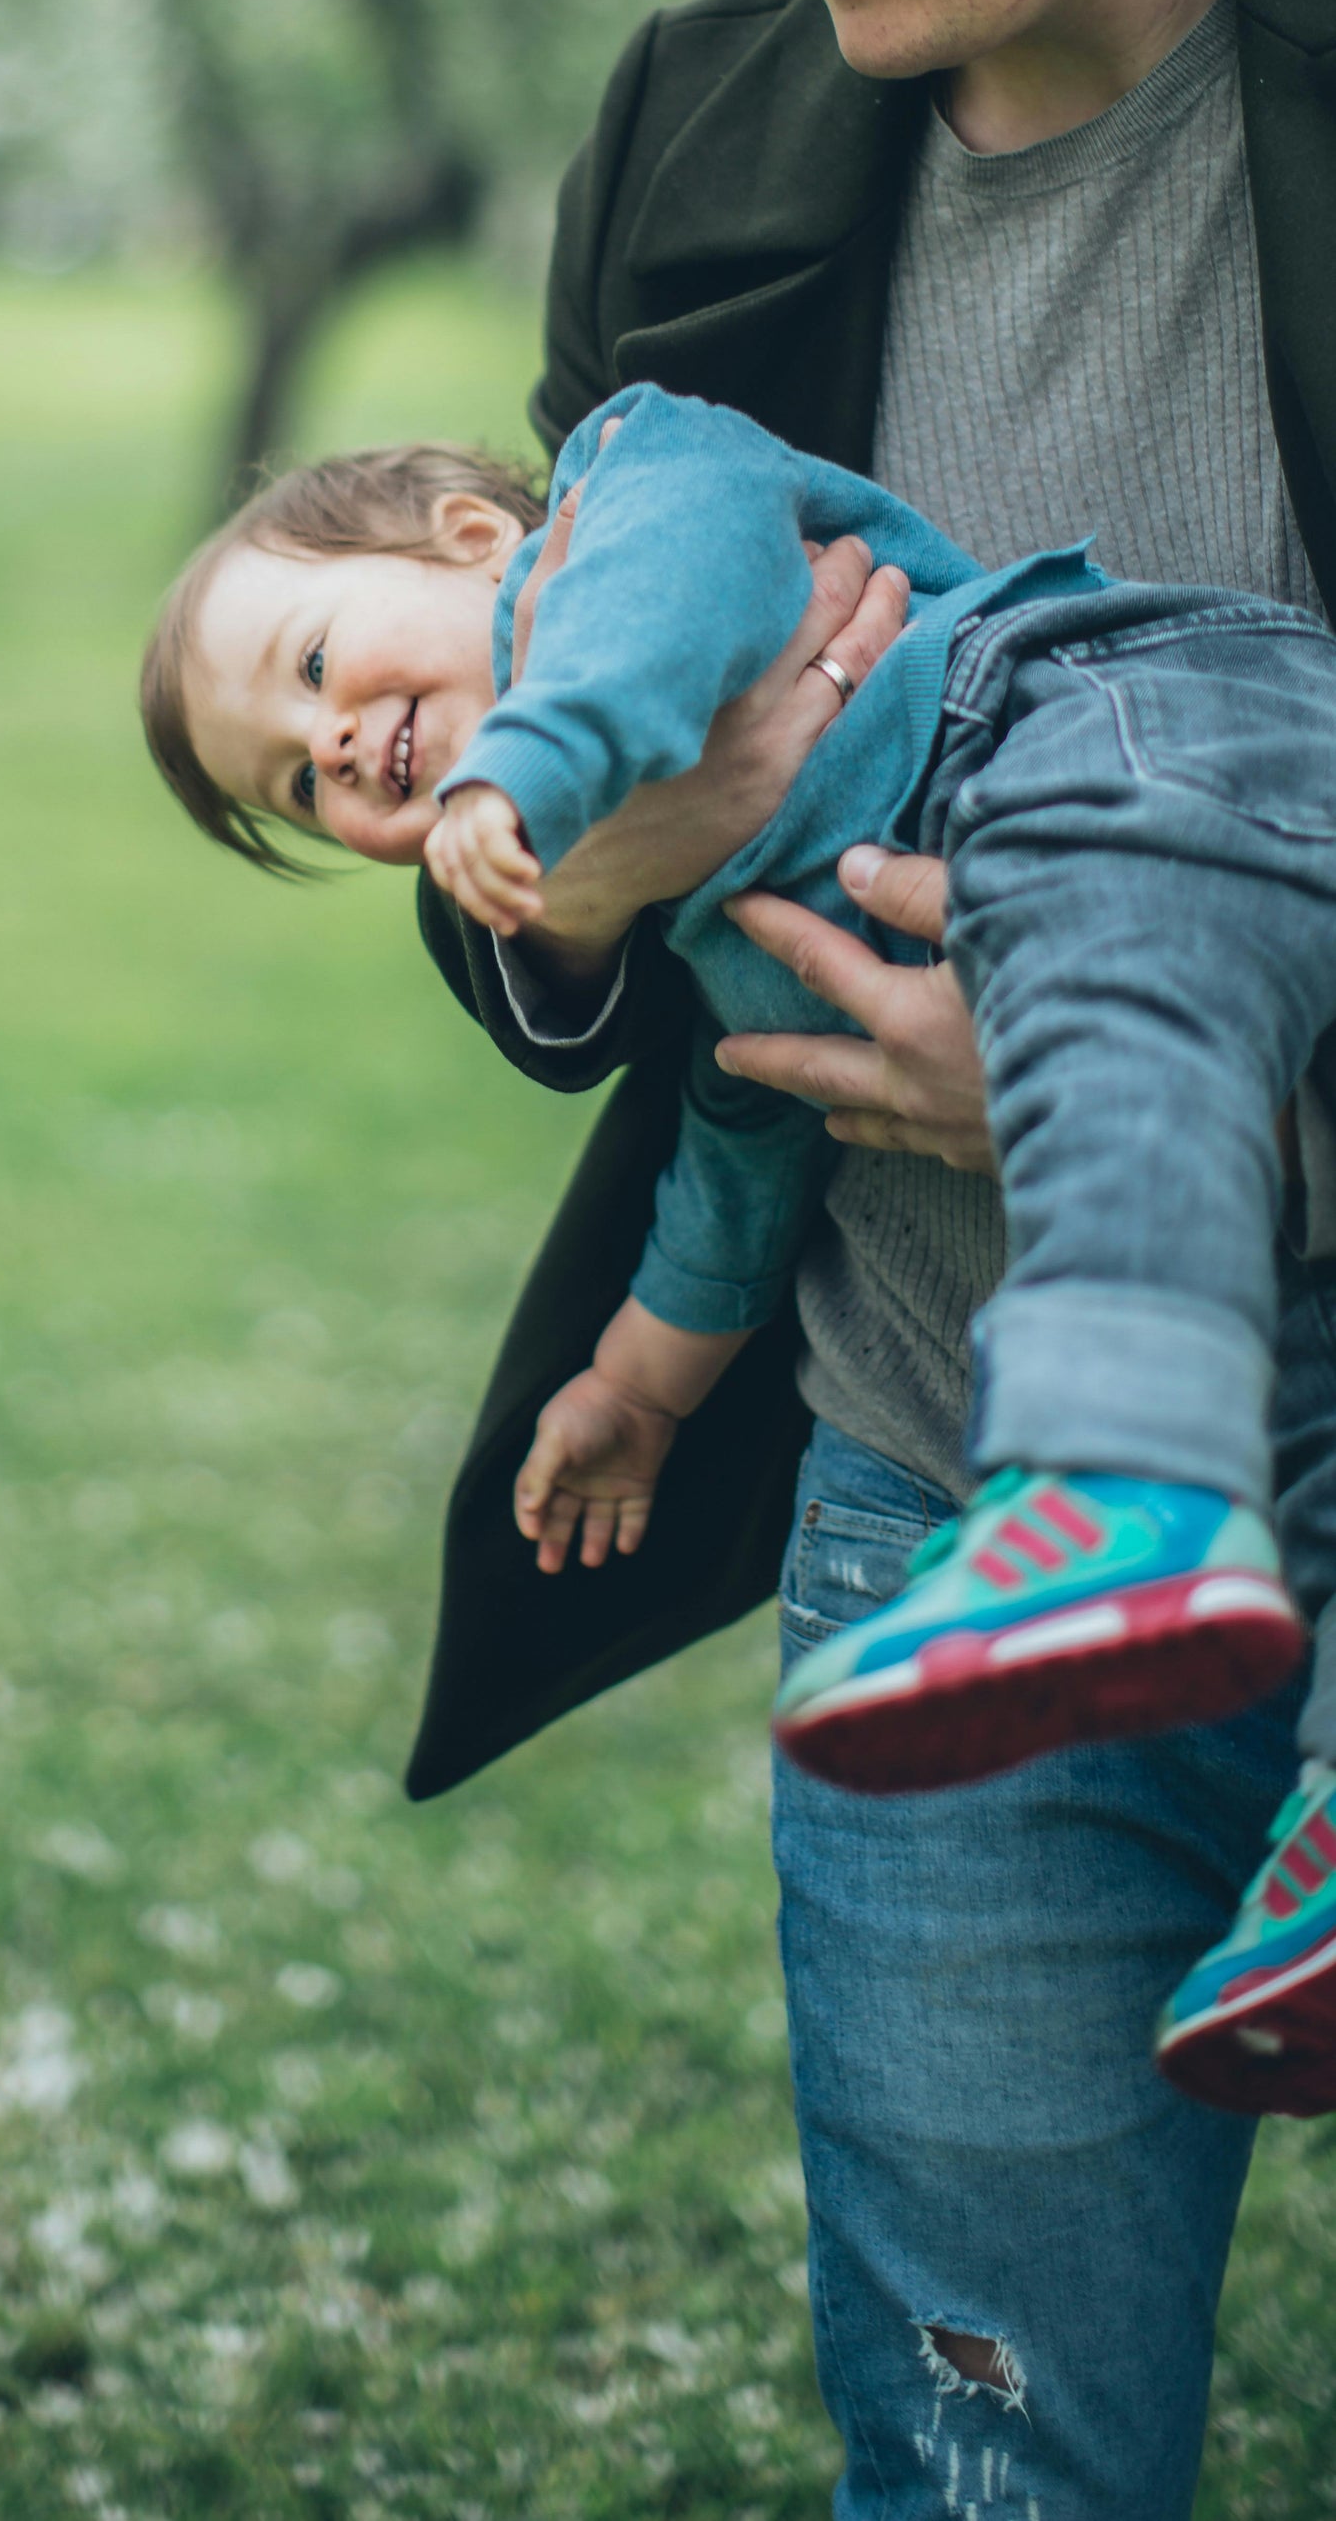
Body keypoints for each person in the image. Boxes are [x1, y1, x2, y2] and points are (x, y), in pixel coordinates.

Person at [403, 0, 1334, 2512]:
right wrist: (586, 874)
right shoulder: (696, 130)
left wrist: (1179, 1106)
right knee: (981, 2461)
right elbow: (540, 783)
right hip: (928, 1508)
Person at [140, 374, 1336, 2114]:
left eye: (311, 664)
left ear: (470, 536)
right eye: (293, 782)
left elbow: (678, 584)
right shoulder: (700, 902)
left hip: (1129, 726)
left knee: (1105, 989)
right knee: (1307, 1407)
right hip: (1093, 849)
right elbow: (747, 1124)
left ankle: (1114, 1470)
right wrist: (643, 1383)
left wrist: (537, 761)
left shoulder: (640, 465)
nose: (325, 748)